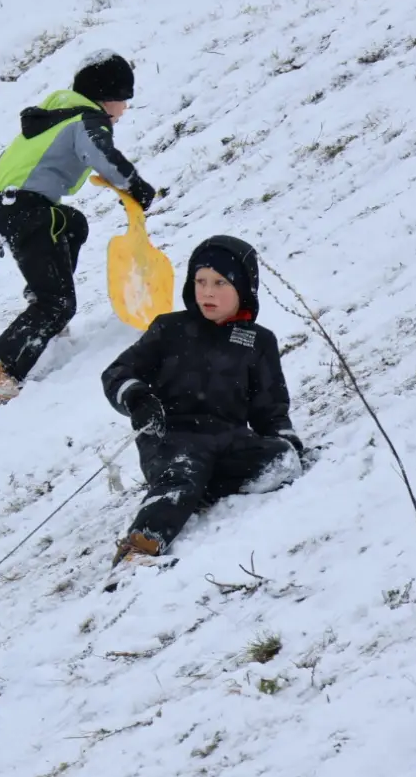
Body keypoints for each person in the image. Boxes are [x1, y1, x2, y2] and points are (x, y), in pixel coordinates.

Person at [0, 50, 157, 401]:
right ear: (105, 96)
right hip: (26, 211)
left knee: (73, 223)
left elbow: (10, 169)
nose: (125, 109)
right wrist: (136, 186)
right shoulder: (87, 120)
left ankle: (43, 300)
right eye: (123, 100)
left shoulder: (54, 114)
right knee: (59, 303)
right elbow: (102, 157)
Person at [100, 236, 304, 565]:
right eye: (200, 281)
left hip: (228, 442)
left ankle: (202, 489)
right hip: (170, 438)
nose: (207, 292)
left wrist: (287, 442)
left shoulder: (258, 342)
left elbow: (270, 411)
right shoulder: (170, 329)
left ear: (243, 287)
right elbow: (118, 373)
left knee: (280, 459)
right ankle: (143, 543)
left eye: (220, 282)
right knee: (184, 468)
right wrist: (137, 398)